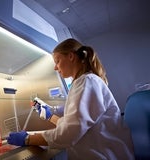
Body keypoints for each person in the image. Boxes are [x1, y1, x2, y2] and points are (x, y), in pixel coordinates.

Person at [7, 38, 135, 160]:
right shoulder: (84, 82)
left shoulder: (86, 82)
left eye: (57, 61)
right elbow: (75, 125)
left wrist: (27, 138)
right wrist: (49, 115)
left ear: (71, 56)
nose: (55, 67)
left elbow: (68, 134)